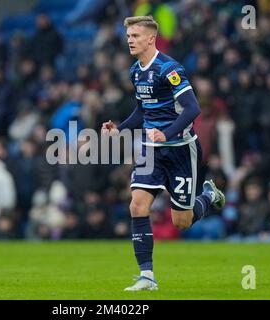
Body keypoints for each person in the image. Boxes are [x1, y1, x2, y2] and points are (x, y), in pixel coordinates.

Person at [101, 16, 225, 291]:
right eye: (128, 36)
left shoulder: (170, 69)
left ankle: (209, 195)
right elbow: (142, 110)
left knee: (181, 221)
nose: (130, 40)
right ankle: (147, 276)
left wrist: (166, 133)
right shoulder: (135, 71)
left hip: (181, 150)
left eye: (135, 35)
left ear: (150, 39)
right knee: (137, 205)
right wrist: (119, 128)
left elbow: (193, 109)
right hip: (151, 150)